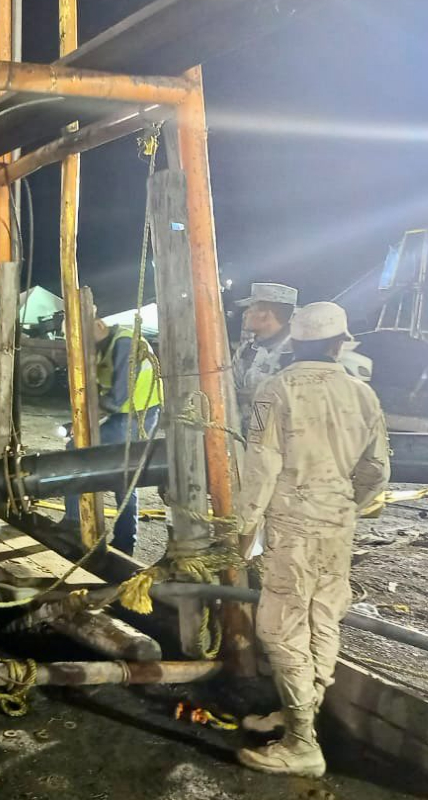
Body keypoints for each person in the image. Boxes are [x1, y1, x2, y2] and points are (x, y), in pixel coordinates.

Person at [235, 302, 389, 778]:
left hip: (293, 525)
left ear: (295, 343)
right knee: (323, 618)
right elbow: (377, 471)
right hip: (337, 523)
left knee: (280, 628)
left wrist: (243, 529)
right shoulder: (363, 394)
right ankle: (298, 709)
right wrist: (346, 504)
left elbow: (261, 467)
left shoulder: (275, 388)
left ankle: (302, 742)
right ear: (340, 343)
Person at [63, 315, 163, 555]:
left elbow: (118, 397)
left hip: (138, 413)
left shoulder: (124, 342)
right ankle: (124, 541)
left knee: (76, 451)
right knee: (123, 474)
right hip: (128, 413)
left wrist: (82, 424)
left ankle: (74, 525)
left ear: (99, 325)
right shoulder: (102, 347)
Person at [233, 282, 297, 421]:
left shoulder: (296, 353)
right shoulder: (246, 350)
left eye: (251, 308)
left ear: (266, 315)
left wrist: (255, 396)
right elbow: (233, 387)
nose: (245, 313)